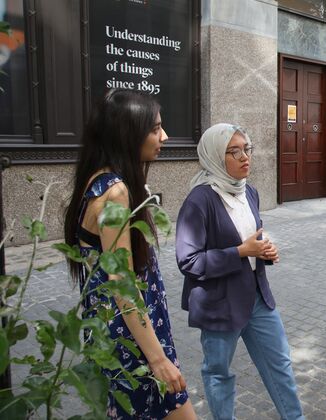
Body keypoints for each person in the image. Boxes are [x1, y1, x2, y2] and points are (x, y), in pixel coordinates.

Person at [63, 89, 196, 419]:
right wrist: (157, 359)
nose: (164, 137)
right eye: (154, 129)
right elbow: (122, 281)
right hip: (130, 337)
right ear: (128, 133)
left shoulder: (96, 180)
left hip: (120, 330)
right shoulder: (116, 190)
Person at [175, 124, 304, 420]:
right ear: (214, 157)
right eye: (234, 152)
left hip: (258, 298)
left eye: (247, 149)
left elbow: (252, 240)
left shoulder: (250, 192)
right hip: (220, 303)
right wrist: (241, 252)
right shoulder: (200, 200)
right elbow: (188, 260)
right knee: (218, 373)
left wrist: (265, 251)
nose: (245, 157)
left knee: (279, 364)